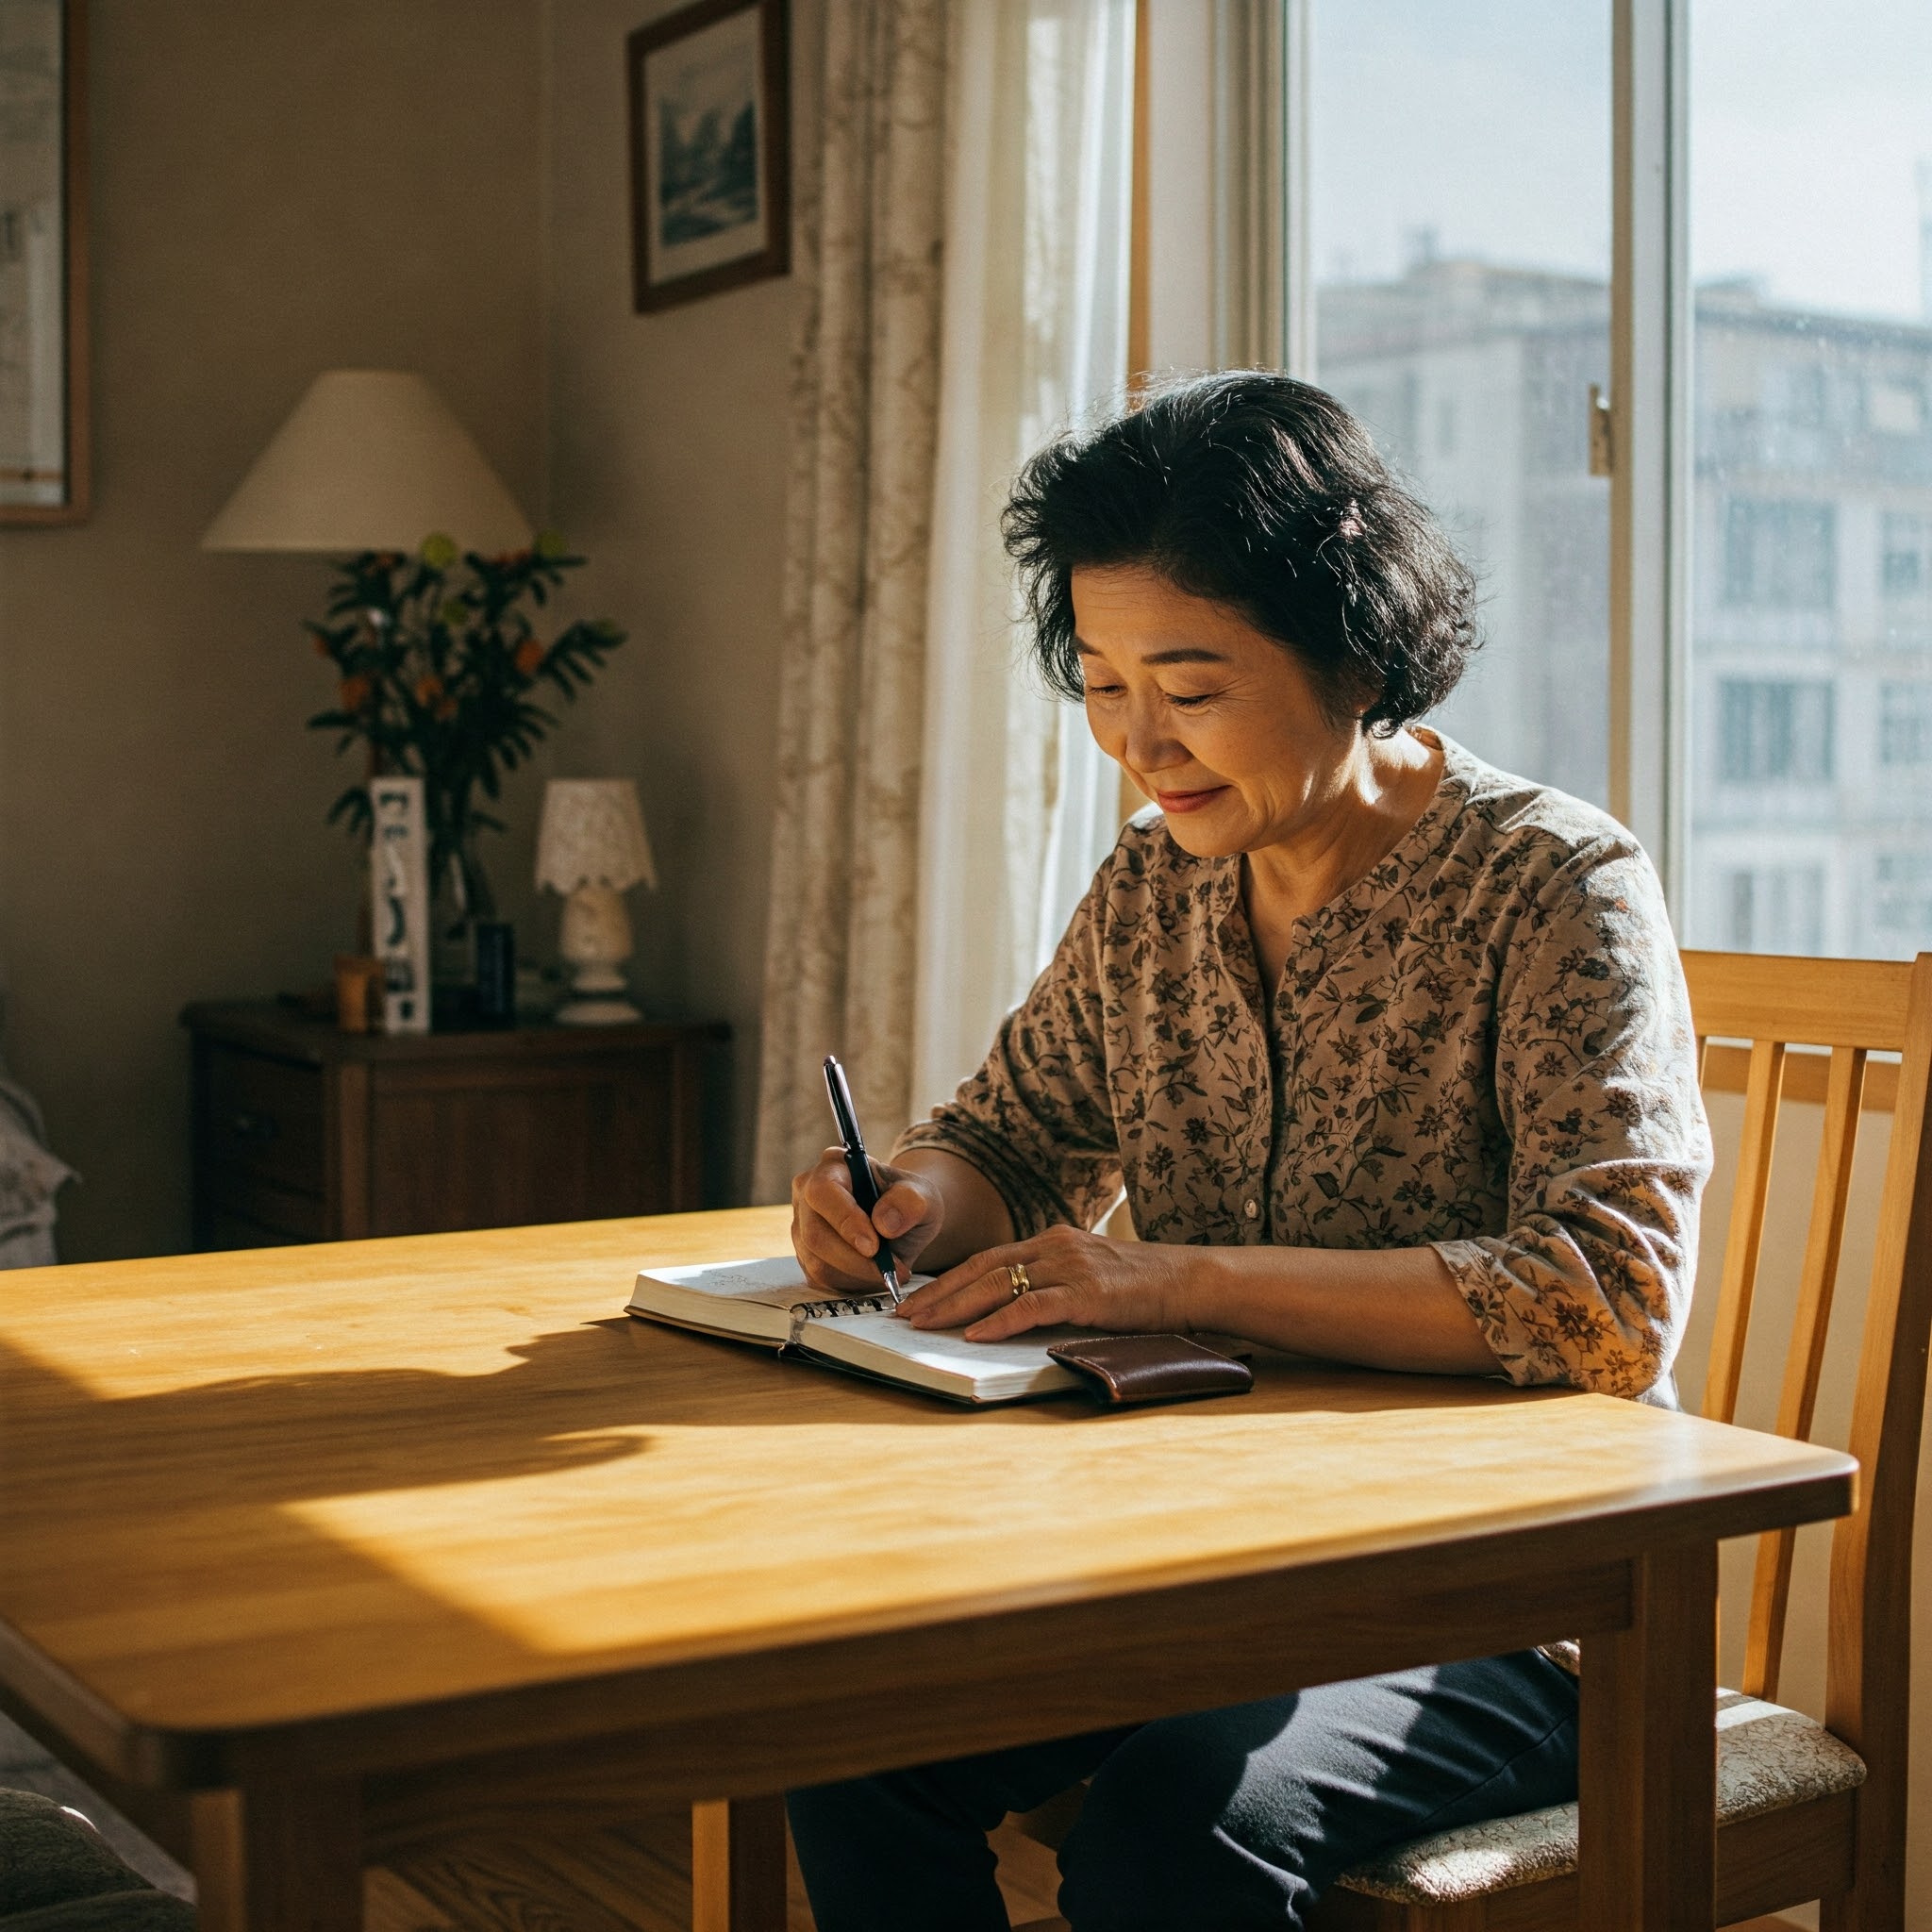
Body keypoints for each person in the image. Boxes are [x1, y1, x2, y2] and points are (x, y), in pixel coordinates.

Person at [785, 373, 1711, 1932]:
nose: (1142, 743)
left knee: (1176, 1832)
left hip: (1509, 1599)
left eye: (1193, 689)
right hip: (1209, 1560)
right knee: (852, 1731)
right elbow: (1014, 1136)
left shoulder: (1554, 886)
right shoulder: (1156, 888)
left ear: (1355, 651)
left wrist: (1176, 1281)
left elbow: (1604, 1300)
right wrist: (907, 1199)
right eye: (1102, 685)